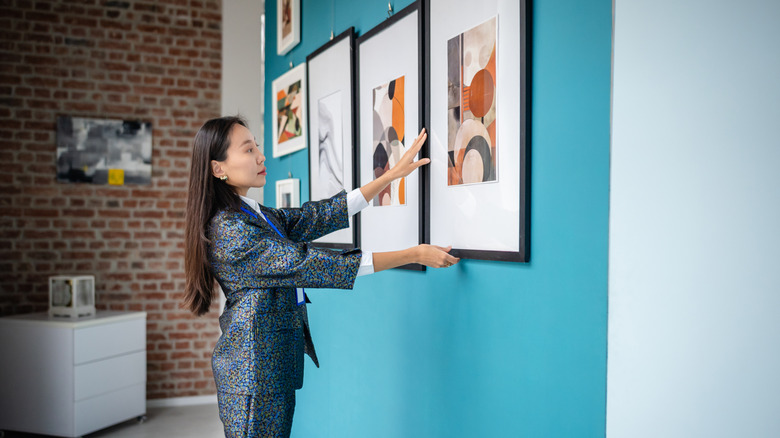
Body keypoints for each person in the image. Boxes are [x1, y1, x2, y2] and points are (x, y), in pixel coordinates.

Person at [183, 116, 459, 438]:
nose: (261, 156)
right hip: (253, 372)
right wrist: (412, 254)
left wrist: (390, 177)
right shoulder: (230, 229)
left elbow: (318, 216)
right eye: (248, 149)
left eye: (257, 145)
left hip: (267, 368)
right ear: (219, 169)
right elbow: (309, 264)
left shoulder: (254, 214)